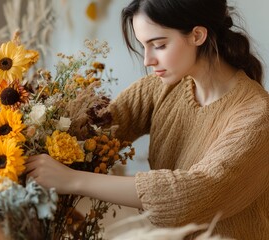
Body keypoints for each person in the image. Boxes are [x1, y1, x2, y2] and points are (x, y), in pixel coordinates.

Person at [25, 0, 269, 239]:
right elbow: (93, 132)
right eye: (143, 46)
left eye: (159, 45)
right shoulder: (162, 87)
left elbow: (196, 192)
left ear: (197, 35)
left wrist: (73, 181)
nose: (147, 60)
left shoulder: (257, 116)